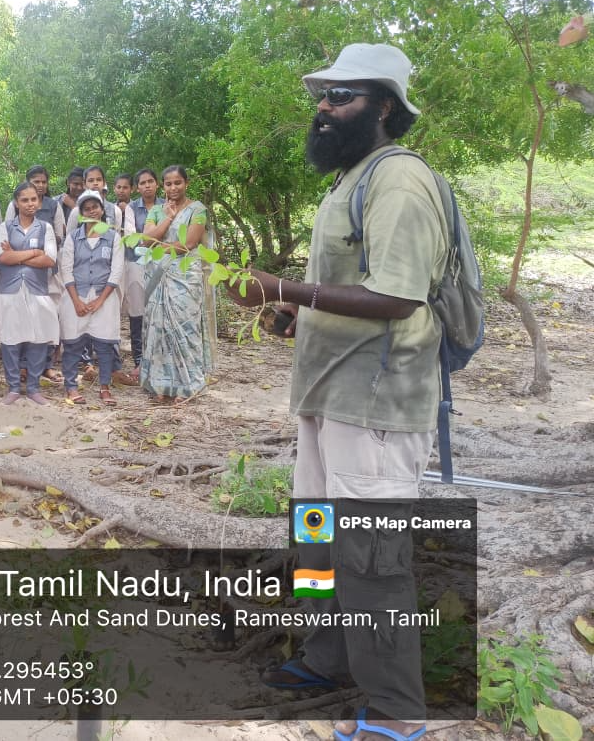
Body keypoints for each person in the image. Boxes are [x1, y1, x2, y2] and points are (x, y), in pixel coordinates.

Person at [226, 44, 442, 741]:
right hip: (327, 397)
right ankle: (327, 660)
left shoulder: (399, 180)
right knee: (318, 540)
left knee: (372, 557)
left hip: (375, 405)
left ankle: (397, 711)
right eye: (322, 95)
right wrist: (294, 313)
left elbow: (399, 296)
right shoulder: (351, 178)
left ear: (384, 107)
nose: (324, 106)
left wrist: (285, 286)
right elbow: (348, 288)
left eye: (342, 96)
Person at [139, 165, 215, 402]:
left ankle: (188, 387)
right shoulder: (156, 210)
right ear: (163, 186)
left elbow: (189, 244)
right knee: (159, 330)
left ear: (186, 183)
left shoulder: (197, 210)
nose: (173, 188)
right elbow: (146, 239)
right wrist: (169, 218)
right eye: (169, 184)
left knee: (184, 328)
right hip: (158, 276)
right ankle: (161, 386)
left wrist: (157, 247)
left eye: (178, 183)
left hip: (185, 276)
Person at [59, 191, 124, 406]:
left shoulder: (113, 237)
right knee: (73, 344)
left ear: (102, 209)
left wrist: (100, 300)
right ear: (81, 213)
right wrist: (76, 301)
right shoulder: (73, 238)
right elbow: (66, 269)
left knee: (104, 345)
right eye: (86, 209)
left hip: (104, 298)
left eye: (95, 207)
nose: (91, 211)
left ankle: (104, 387)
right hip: (75, 296)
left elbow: (116, 271)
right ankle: (71, 386)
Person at [0, 182, 57, 404]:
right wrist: (34, 252)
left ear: (39, 202)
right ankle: (13, 387)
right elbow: (3, 257)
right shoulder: (5, 227)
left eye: (33, 199)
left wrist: (17, 254)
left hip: (37, 290)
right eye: (25, 200)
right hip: (9, 290)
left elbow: (49, 260)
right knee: (10, 339)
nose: (30, 203)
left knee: (38, 338)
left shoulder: (46, 228)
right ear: (16, 203)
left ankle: (33, 387)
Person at [122, 168, 162, 378]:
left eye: (150, 181)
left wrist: (146, 238)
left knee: (160, 310)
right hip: (136, 263)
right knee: (137, 311)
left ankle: (159, 360)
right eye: (142, 183)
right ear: (137, 187)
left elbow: (171, 235)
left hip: (162, 263)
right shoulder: (131, 208)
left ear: (157, 184)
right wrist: (156, 238)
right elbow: (131, 239)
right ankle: (139, 361)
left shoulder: (166, 205)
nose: (147, 186)